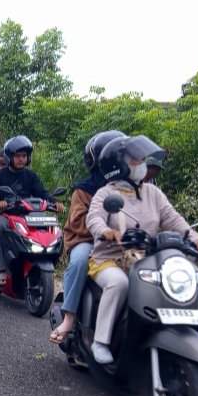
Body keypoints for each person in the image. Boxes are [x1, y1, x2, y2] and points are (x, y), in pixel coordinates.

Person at [85, 135, 198, 363]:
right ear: (119, 165)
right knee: (119, 284)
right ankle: (101, 342)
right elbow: (94, 218)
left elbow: (173, 219)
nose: (142, 164)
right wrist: (106, 231)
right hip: (109, 259)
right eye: (136, 160)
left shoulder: (153, 192)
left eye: (141, 159)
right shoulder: (106, 193)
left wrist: (193, 237)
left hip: (146, 259)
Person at [49, 130, 125, 344]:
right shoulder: (84, 189)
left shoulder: (131, 189)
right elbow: (77, 222)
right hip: (85, 240)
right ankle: (69, 317)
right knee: (80, 261)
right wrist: (105, 231)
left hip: (120, 243)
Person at [0, 136, 64, 286]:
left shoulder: (31, 175)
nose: (21, 159)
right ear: (9, 157)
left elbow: (42, 192)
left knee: (47, 228)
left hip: (27, 214)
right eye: (17, 156)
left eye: (24, 156)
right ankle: (1, 269)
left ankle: (40, 258)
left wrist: (54, 202)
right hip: (4, 214)